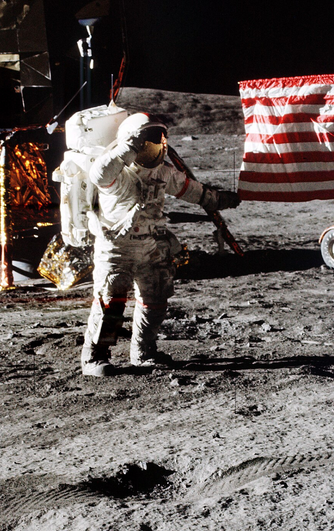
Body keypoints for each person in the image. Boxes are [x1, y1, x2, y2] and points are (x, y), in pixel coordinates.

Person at [81, 112, 240, 376]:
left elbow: (193, 191)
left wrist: (221, 199)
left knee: (155, 300)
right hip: (117, 249)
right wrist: (126, 149)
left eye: (160, 138)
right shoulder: (117, 173)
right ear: (132, 141)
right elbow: (99, 174)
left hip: (151, 245)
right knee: (113, 302)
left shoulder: (163, 173)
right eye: (150, 139)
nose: (157, 144)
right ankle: (96, 357)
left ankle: (144, 353)